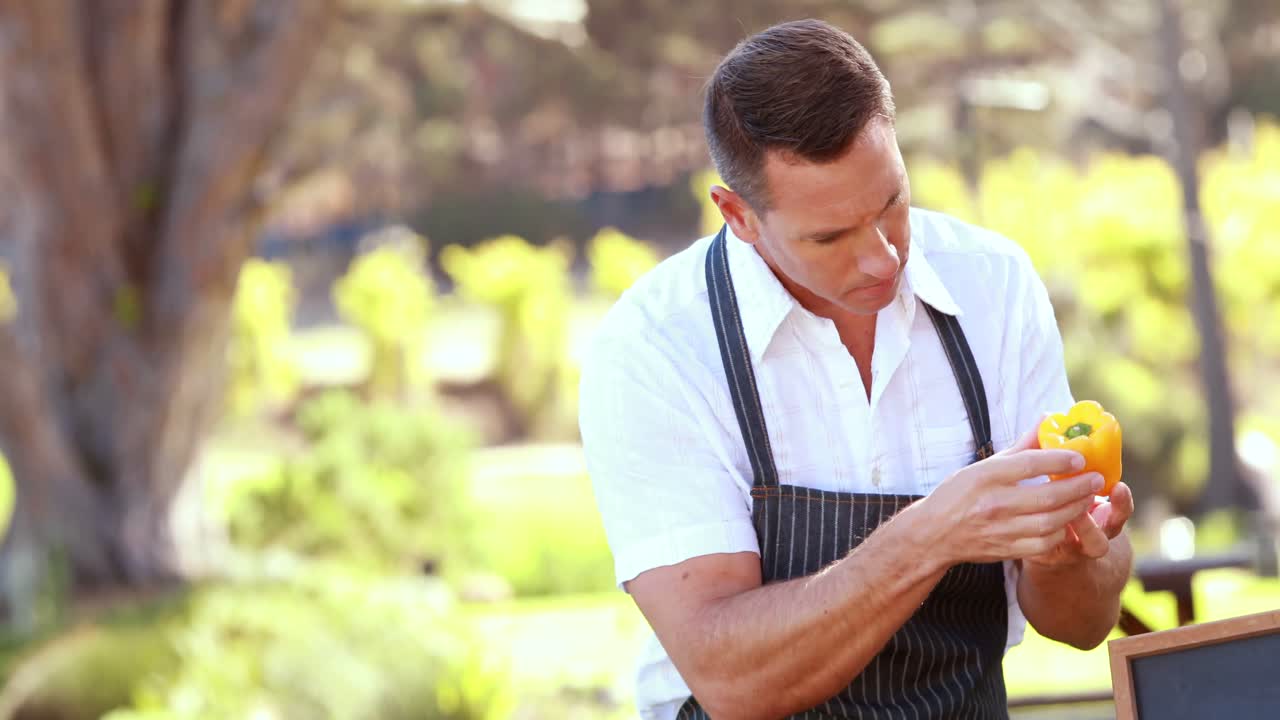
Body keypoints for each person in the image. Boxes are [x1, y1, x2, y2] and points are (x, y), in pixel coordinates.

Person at [578, 18, 1134, 720]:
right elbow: (730, 680)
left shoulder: (994, 286)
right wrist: (934, 533)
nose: (882, 258)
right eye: (830, 236)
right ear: (737, 214)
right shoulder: (657, 346)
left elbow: (1080, 626)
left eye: (892, 203)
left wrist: (1072, 557)